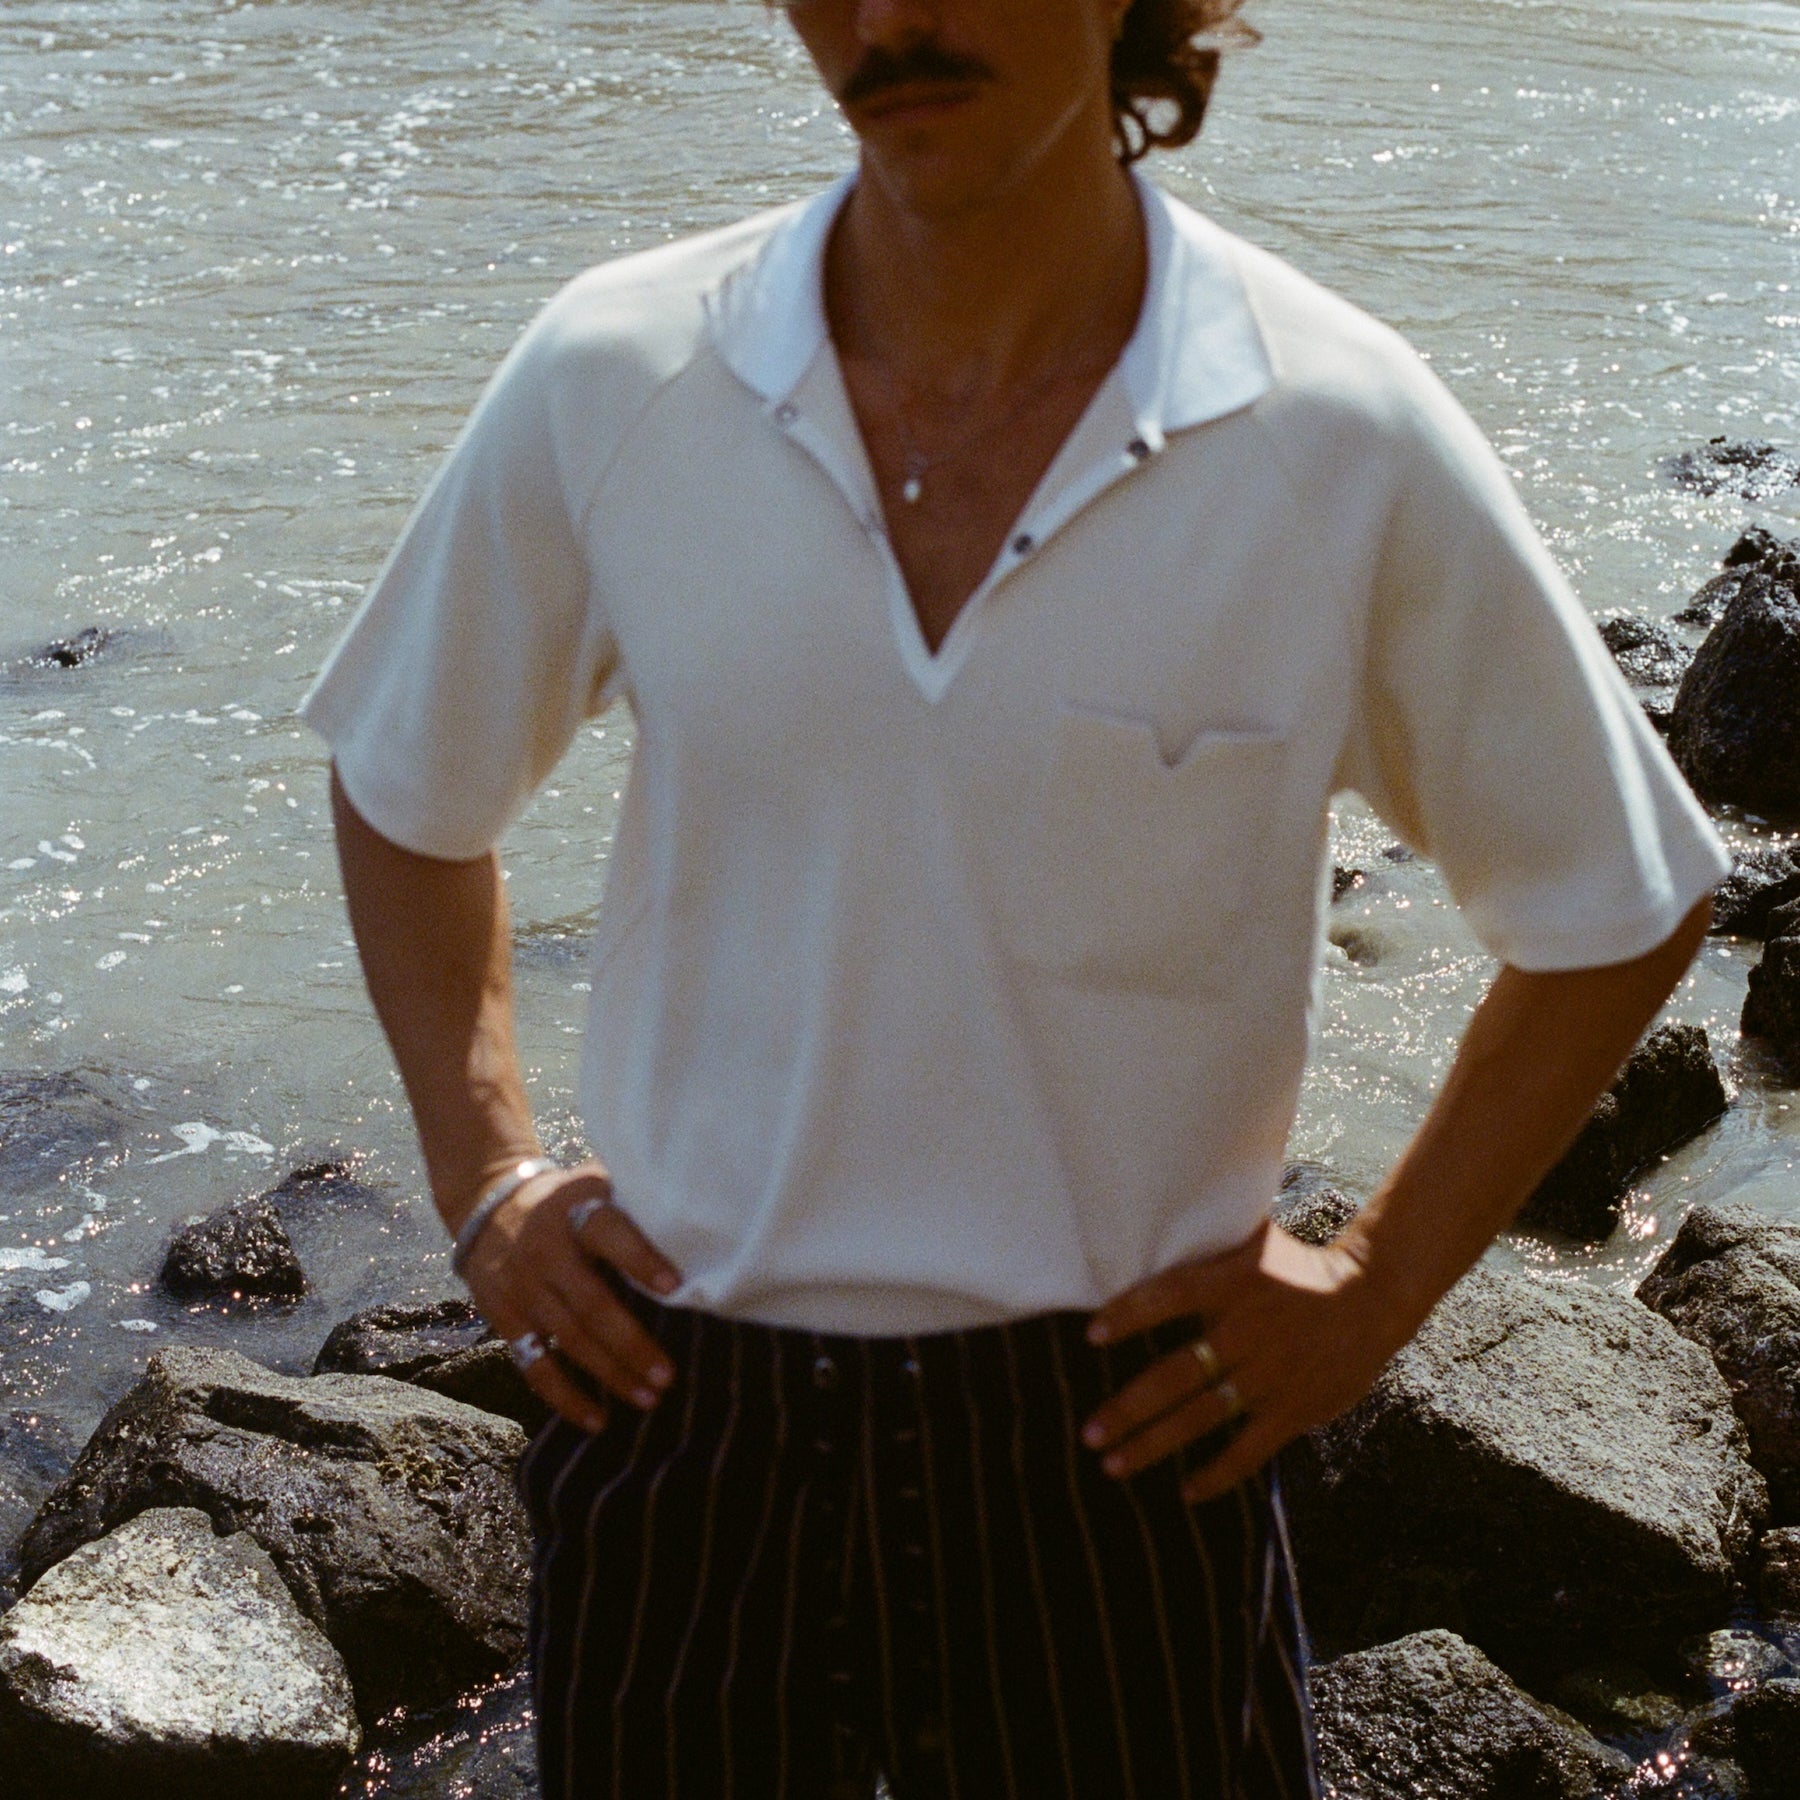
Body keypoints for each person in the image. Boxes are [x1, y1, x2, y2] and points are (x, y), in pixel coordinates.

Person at [300, 1, 1730, 1794]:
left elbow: (1621, 891)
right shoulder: (627, 370)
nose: (894, 19)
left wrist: (1370, 1290)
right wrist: (488, 1172)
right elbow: (403, 777)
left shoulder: (1328, 426)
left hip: (1122, 1453)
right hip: (689, 1431)